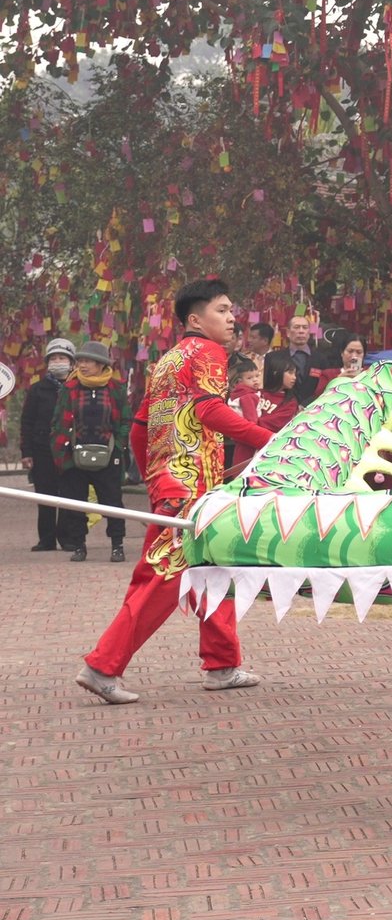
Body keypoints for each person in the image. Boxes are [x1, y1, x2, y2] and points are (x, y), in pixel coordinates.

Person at [75, 278, 273, 706]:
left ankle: (222, 665)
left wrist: (153, 478)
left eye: (231, 309)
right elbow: (210, 410)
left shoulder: (168, 360)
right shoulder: (208, 352)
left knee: (212, 569)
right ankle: (102, 666)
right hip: (188, 489)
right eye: (222, 310)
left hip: (173, 483)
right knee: (166, 580)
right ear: (196, 319)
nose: (232, 317)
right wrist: (268, 439)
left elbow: (141, 427)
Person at [52, 342, 129, 563]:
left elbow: (125, 420)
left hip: (108, 455)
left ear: (100, 363)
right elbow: (58, 421)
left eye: (87, 361)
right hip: (75, 456)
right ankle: (79, 545)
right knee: (76, 503)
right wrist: (60, 453)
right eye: (80, 361)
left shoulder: (116, 388)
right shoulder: (69, 388)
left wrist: (119, 447)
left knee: (113, 502)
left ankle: (117, 545)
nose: (82, 365)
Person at [20, 338, 75, 551]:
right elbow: (27, 422)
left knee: (69, 495)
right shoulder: (37, 390)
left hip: (69, 449)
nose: (57, 361)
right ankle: (46, 539)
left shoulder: (76, 388)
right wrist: (27, 452)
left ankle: (68, 538)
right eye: (53, 358)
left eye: (62, 357)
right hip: (42, 449)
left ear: (71, 362)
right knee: (45, 494)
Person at [224, 356, 266, 475]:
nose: (255, 380)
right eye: (250, 378)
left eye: (257, 376)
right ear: (239, 382)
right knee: (245, 464)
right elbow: (251, 419)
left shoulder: (238, 394)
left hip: (239, 435)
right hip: (249, 437)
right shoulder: (248, 396)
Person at [283, 316, 320, 405]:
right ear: (288, 332)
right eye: (296, 327)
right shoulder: (274, 358)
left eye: (305, 327)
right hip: (283, 408)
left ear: (309, 332)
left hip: (314, 409)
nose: (301, 331)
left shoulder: (320, 359)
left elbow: (325, 387)